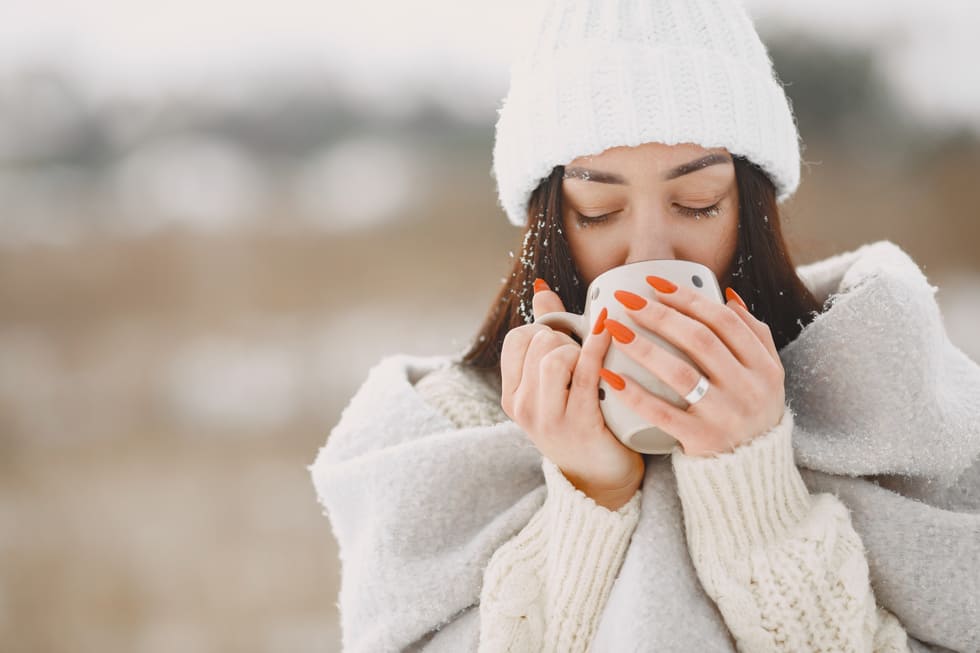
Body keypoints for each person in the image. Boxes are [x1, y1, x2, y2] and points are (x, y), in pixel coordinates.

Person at [309, 0, 980, 651]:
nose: (652, 255)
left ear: (751, 208)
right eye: (598, 209)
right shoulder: (451, 431)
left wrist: (754, 493)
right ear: (548, 223)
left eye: (698, 202)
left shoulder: (882, 391)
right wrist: (588, 494)